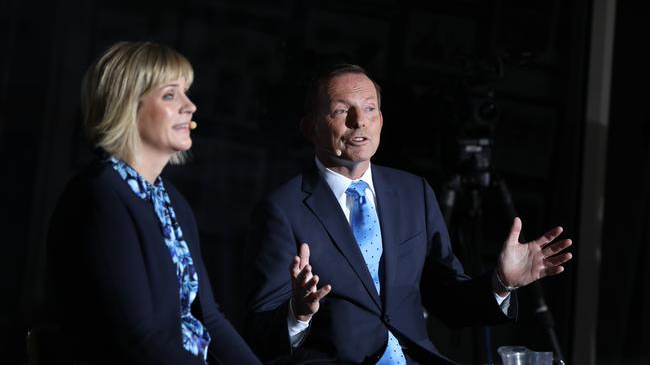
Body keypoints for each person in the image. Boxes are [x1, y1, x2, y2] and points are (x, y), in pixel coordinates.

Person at [244, 64, 573, 364]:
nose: (360, 121)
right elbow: (260, 334)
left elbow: (447, 297)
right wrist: (298, 314)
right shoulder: (282, 210)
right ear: (310, 128)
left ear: (381, 120)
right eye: (341, 111)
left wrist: (501, 283)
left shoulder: (414, 192)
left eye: (370, 109)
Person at [47, 41, 260, 365]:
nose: (190, 106)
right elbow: (138, 339)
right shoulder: (99, 197)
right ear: (127, 105)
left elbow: (210, 318)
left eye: (185, 93)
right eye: (170, 95)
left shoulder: (171, 202)